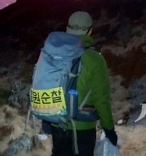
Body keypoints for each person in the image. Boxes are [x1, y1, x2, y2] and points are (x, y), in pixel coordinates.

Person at [49, 11, 117, 156]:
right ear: (89, 31)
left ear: (67, 28)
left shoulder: (53, 53)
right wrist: (109, 129)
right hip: (83, 127)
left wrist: (46, 121)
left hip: (56, 122)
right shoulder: (95, 60)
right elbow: (101, 99)